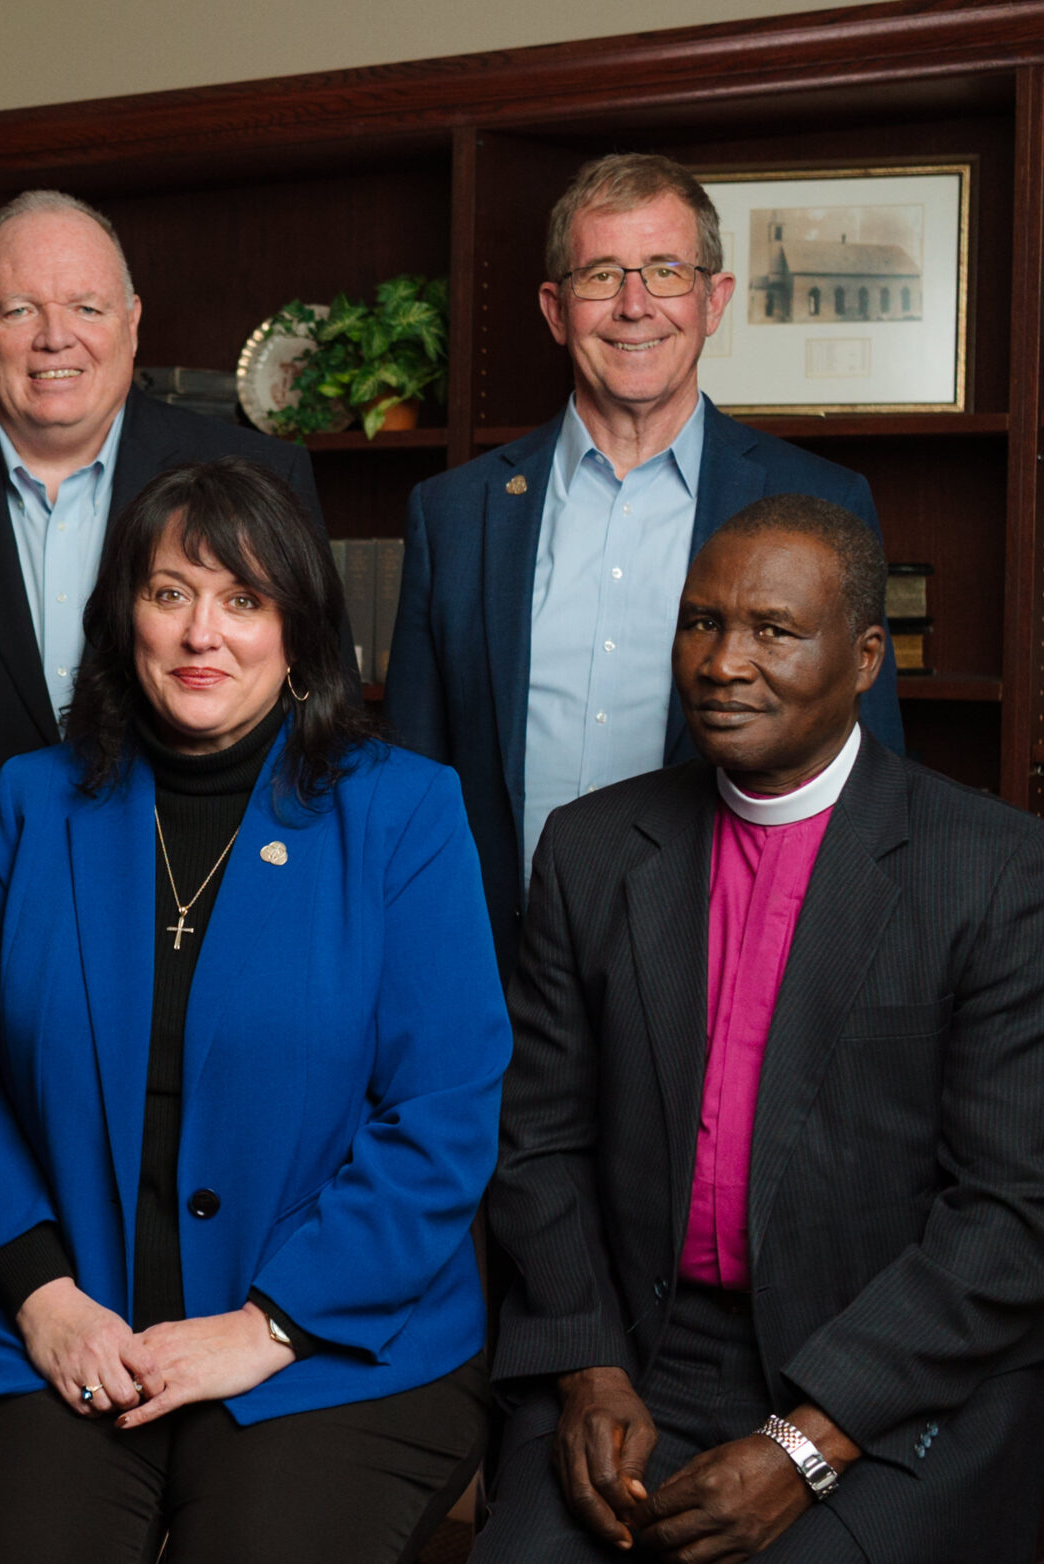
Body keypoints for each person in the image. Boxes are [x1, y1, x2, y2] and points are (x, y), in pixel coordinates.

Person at [449, 494, 1044, 1564]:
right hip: (643, 1352)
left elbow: (1022, 1208)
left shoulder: (993, 870)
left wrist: (806, 1440)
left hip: (895, 1370)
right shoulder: (593, 851)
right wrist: (587, 1368)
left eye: (773, 630)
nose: (723, 662)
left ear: (864, 657)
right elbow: (535, 1143)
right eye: (701, 623)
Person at [0, 459, 508, 1564]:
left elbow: (443, 1114)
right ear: (124, 620)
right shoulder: (33, 801)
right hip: (73, 1325)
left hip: (328, 1348)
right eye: (170, 593)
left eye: (244, 600)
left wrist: (268, 1327)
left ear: (298, 631)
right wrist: (40, 1293)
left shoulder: (403, 813)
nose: (204, 633)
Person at [382, 152, 904, 977]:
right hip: (497, 979)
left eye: (666, 271)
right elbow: (408, 781)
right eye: (601, 276)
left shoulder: (819, 503)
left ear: (713, 300)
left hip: (731, 975)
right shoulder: (454, 515)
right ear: (556, 310)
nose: (634, 306)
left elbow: (870, 779)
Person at [0, 189, 323, 916]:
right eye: (20, 310)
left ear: (132, 322)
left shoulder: (261, 476)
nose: (56, 338)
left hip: (201, 909)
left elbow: (318, 715)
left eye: (87, 307)